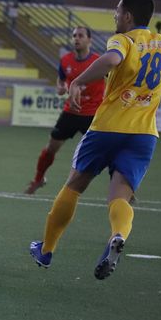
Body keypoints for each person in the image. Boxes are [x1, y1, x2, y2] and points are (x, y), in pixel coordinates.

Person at [30, 0, 161, 280]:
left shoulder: (123, 40)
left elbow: (110, 60)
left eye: (118, 11)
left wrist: (78, 81)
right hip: (144, 134)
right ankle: (118, 235)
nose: (115, 15)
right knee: (120, 194)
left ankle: (46, 249)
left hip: (107, 127)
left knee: (74, 185)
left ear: (128, 16)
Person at [24, 26, 105, 194]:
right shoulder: (66, 60)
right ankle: (38, 179)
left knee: (108, 151)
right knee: (51, 147)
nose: (76, 38)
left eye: (80, 36)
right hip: (71, 112)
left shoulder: (99, 61)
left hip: (92, 114)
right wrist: (60, 87)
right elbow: (61, 80)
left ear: (89, 40)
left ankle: (125, 189)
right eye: (74, 35)